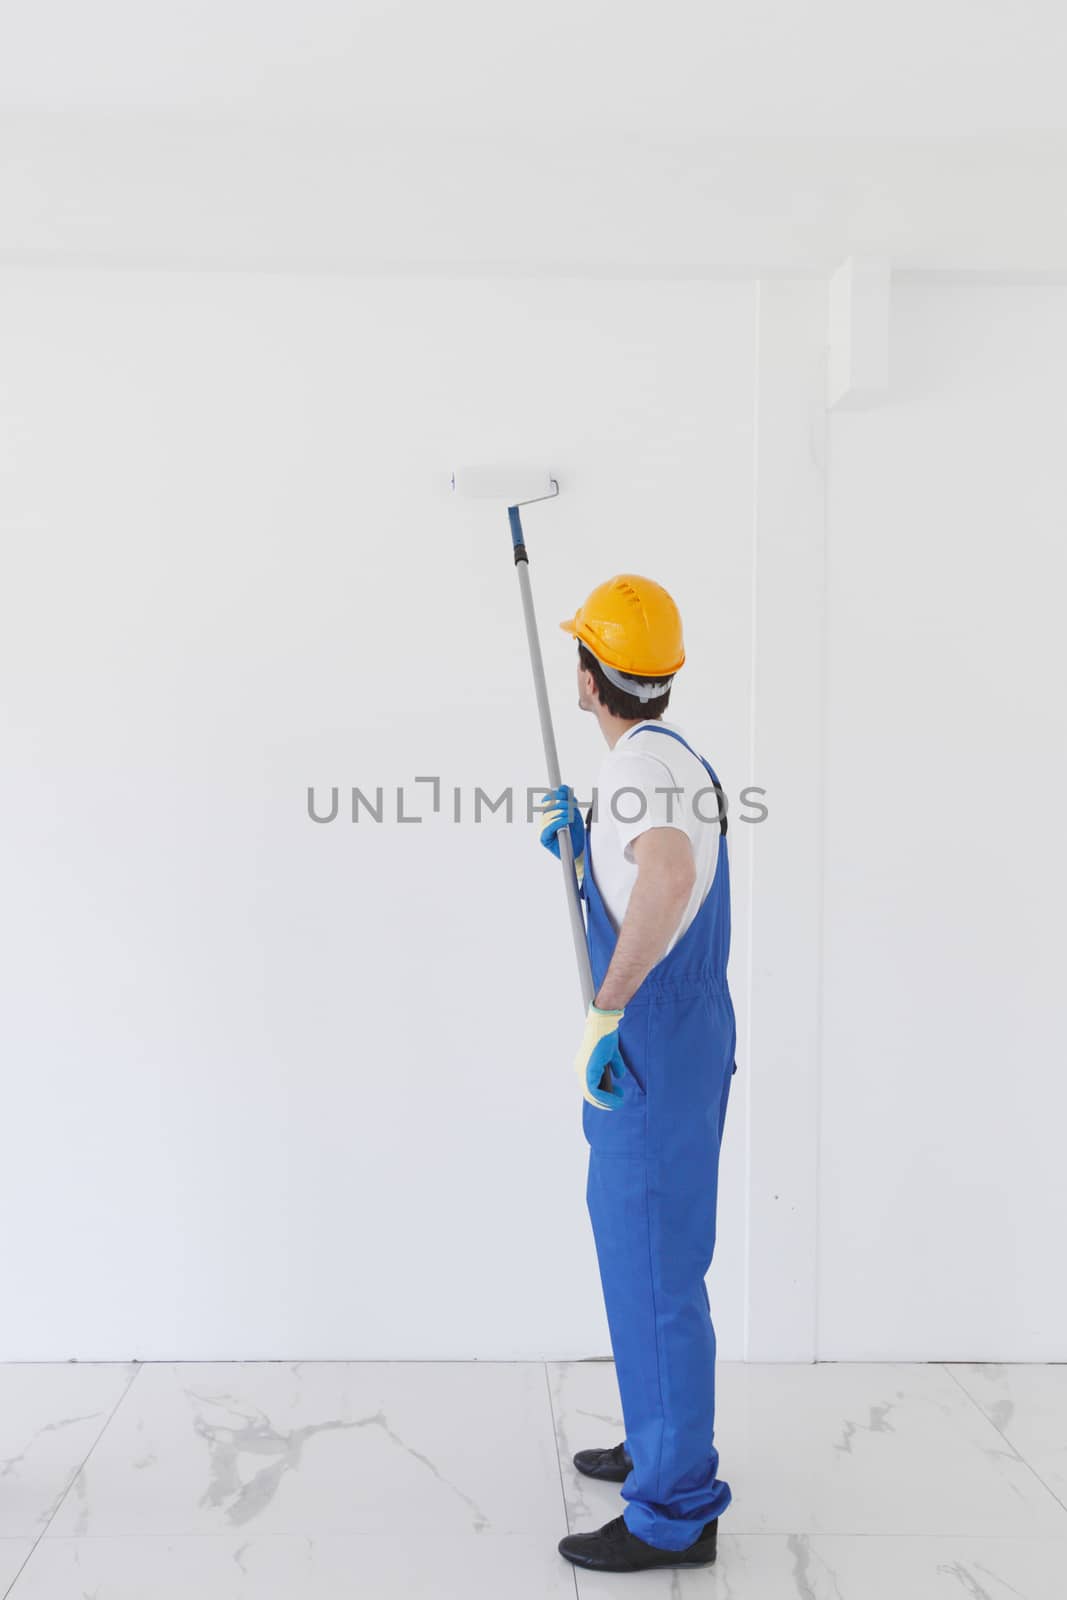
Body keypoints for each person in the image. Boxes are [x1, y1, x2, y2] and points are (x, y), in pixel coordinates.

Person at [538, 573, 737, 1575]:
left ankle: (674, 1507)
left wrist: (607, 1011)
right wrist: (582, 849)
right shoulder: (672, 760)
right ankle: (656, 1438)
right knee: (653, 1254)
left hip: (650, 1036)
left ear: (586, 676)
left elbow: (663, 877)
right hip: (690, 1026)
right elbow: (652, 862)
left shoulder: (636, 774)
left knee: (652, 1266)